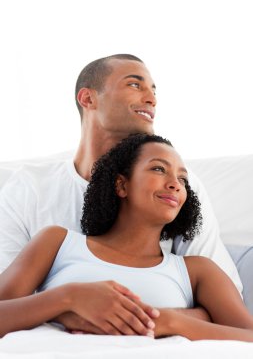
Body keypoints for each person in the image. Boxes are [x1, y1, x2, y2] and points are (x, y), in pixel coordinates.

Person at [0, 54, 242, 333]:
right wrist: (68, 304)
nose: (151, 98)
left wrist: (137, 316)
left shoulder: (181, 191)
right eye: (135, 85)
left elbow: (225, 305)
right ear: (88, 99)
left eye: (154, 90)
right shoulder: (30, 190)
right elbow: (8, 300)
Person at [0, 133, 252, 341]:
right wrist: (68, 298)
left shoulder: (197, 271)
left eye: (183, 179)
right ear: (121, 185)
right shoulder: (57, 242)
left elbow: (248, 336)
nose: (175, 183)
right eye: (158, 169)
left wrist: (169, 321)